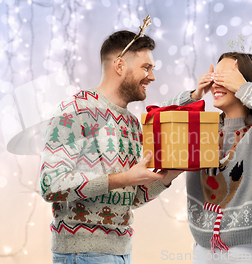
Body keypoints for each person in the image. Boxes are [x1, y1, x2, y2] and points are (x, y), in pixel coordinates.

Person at [39, 30, 181, 264]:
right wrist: (123, 178)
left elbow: (130, 198)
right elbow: (51, 185)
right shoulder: (76, 111)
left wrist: (168, 176)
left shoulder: (133, 124)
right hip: (81, 254)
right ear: (119, 65)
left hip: (122, 253)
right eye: (146, 67)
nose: (152, 76)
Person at [163, 52, 252, 263]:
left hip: (242, 253)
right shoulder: (202, 130)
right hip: (201, 251)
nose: (217, 83)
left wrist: (241, 86)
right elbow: (161, 120)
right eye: (215, 77)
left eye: (226, 77)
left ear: (245, 83)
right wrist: (194, 95)